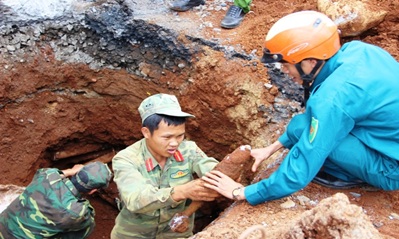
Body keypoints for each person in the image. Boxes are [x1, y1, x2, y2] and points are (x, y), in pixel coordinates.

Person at [202, 10, 399, 205]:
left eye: (286, 65)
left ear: (311, 61)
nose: (284, 71)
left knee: (306, 137)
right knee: (299, 127)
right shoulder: (359, 51)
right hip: (388, 141)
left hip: (390, 169)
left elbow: (305, 161)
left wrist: (243, 192)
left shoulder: (332, 98)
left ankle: (348, 175)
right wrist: (271, 149)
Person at [110, 93, 219, 238]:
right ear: (146, 132)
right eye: (167, 137)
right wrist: (181, 192)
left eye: (180, 136)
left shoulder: (190, 151)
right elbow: (135, 200)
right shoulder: (126, 159)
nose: (174, 143)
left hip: (175, 234)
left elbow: (218, 175)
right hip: (133, 234)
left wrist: (187, 213)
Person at [0, 161, 112, 238]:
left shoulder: (47, 175)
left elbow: (53, 173)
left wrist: (69, 170)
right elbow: (89, 216)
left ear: (76, 172)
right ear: (93, 191)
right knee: (88, 226)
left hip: (2, 226)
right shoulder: (76, 211)